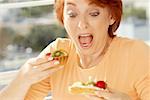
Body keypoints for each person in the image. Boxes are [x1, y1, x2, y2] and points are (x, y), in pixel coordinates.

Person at [0, 0, 149, 100]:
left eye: (93, 14)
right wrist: (22, 78)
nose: (82, 24)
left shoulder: (137, 54)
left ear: (111, 17)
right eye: (72, 14)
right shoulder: (59, 54)